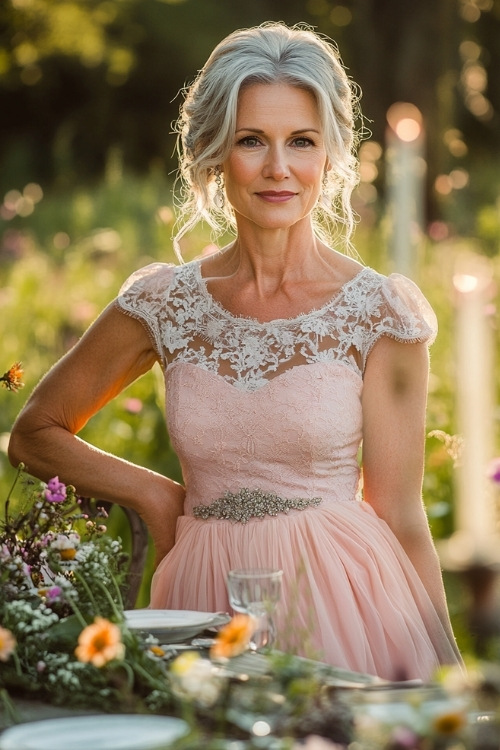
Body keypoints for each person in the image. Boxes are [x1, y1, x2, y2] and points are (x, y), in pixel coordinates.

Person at [9, 22, 462, 680]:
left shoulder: (379, 311)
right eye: (253, 140)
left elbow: (400, 512)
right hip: (199, 606)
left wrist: (447, 675)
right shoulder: (164, 304)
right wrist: (156, 496)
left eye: (301, 142)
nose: (279, 167)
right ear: (215, 154)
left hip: (343, 599)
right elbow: (35, 433)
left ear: (330, 157)